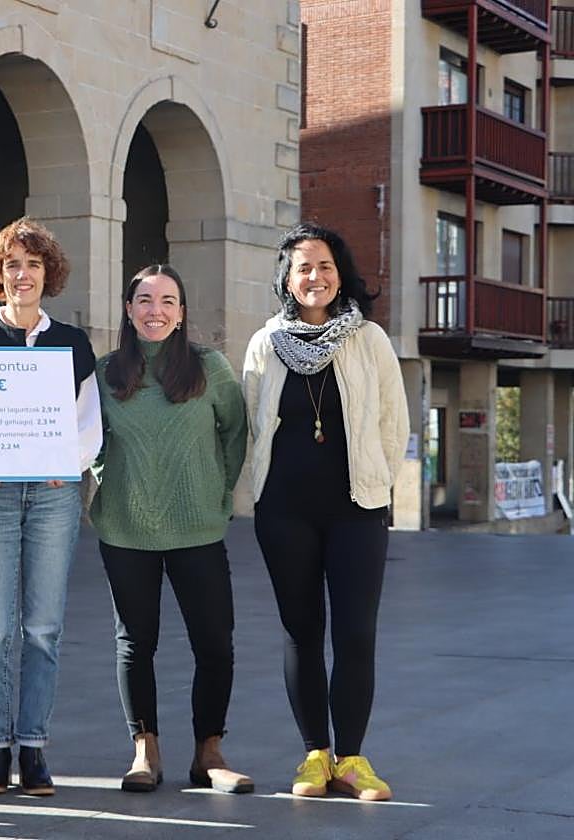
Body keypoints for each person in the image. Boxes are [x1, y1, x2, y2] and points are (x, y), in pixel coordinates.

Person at [242, 221, 408, 801]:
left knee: (356, 634)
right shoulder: (265, 344)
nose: (315, 276)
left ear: (341, 275)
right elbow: (251, 424)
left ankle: (354, 759)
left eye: (326, 266)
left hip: (356, 509)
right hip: (284, 511)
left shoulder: (370, 340)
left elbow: (394, 424)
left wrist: (382, 486)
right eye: (304, 267)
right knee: (301, 632)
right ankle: (315, 755)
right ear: (288, 278)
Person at [0, 218, 101, 796]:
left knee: (42, 628)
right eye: (12, 264)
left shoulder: (72, 342)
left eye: (33, 265)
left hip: (53, 496)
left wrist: (69, 466)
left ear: (48, 274)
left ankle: (33, 748)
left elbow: (88, 418)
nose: (22, 274)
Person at [91, 265, 251, 795]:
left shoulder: (210, 368)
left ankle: (210, 752)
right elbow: (88, 441)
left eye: (166, 300)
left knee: (215, 643)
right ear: (129, 309)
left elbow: (234, 433)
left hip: (199, 528)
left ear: (181, 312)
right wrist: (105, 480)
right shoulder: (106, 373)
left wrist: (217, 493)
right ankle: (145, 749)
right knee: (135, 644)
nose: (154, 310)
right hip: (125, 528)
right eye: (143, 300)